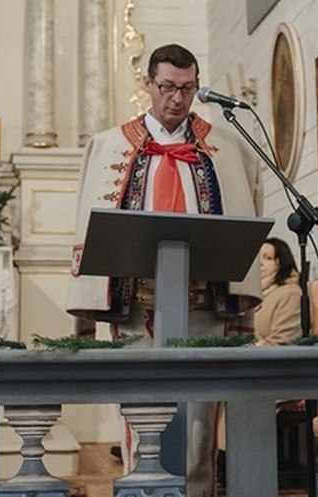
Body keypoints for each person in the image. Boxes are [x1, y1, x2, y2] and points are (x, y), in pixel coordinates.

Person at [67, 43, 262, 497]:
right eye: (168, 87)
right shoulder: (107, 146)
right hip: (137, 308)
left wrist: (243, 314)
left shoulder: (228, 148)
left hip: (204, 306)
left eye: (188, 88)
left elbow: (245, 229)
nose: (177, 98)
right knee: (141, 422)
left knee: (199, 431)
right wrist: (85, 316)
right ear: (147, 84)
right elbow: (86, 226)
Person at [254, 237, 302, 346]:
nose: (260, 263)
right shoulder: (252, 293)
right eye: (257, 258)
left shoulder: (290, 293)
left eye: (268, 258)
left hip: (268, 355)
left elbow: (283, 340)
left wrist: (247, 350)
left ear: (281, 262)